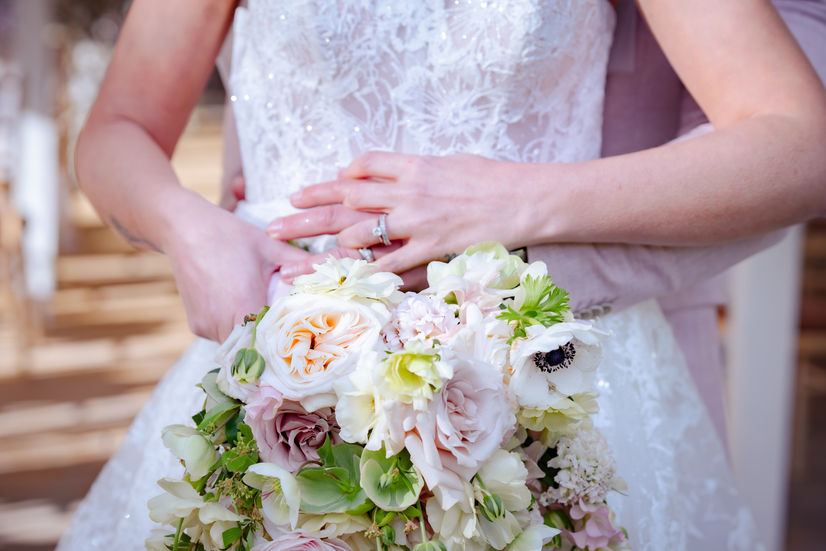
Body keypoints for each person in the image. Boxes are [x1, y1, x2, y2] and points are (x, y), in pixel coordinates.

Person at [57, 0, 825, 549]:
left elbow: (798, 141)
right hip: (285, 364)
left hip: (549, 378)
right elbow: (117, 127)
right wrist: (188, 228)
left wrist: (517, 200)